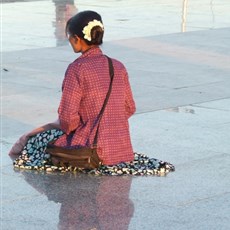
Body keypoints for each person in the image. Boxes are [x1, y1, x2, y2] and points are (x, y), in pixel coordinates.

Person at [9, 10, 175, 175]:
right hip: (121, 149)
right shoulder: (117, 66)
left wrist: (34, 133)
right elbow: (129, 107)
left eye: (69, 36)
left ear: (77, 39)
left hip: (91, 151)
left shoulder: (77, 69)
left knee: (37, 141)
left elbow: (68, 120)